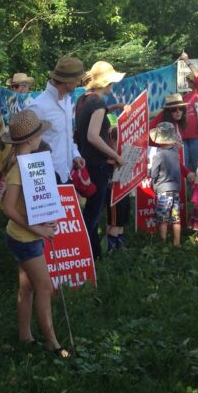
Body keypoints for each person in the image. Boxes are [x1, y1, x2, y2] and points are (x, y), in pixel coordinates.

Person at [0, 110, 69, 357]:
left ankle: (25, 334)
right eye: (39, 134)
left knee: (27, 287)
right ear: (31, 139)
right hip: (25, 238)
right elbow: (7, 207)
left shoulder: (29, 163)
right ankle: (51, 341)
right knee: (45, 287)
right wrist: (37, 228)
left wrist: (46, 215)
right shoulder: (19, 168)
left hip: (25, 236)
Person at [74, 61, 125, 261]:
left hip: (85, 162)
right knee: (93, 213)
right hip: (97, 164)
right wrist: (115, 156)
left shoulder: (83, 99)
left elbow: (89, 120)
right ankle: (86, 254)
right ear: (106, 83)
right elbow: (93, 136)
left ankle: (93, 252)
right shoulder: (98, 103)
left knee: (91, 210)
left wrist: (113, 108)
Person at [28, 56, 86, 184]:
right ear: (68, 82)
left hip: (66, 173)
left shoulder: (67, 101)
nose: (79, 83)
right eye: (77, 80)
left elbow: (66, 136)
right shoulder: (38, 107)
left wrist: (75, 154)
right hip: (46, 177)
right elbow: (26, 145)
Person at [149, 122, 193, 246]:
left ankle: (162, 243)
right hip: (175, 190)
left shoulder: (159, 155)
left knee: (162, 218)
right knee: (176, 218)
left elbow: (153, 173)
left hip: (163, 190)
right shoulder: (175, 154)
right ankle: (177, 243)